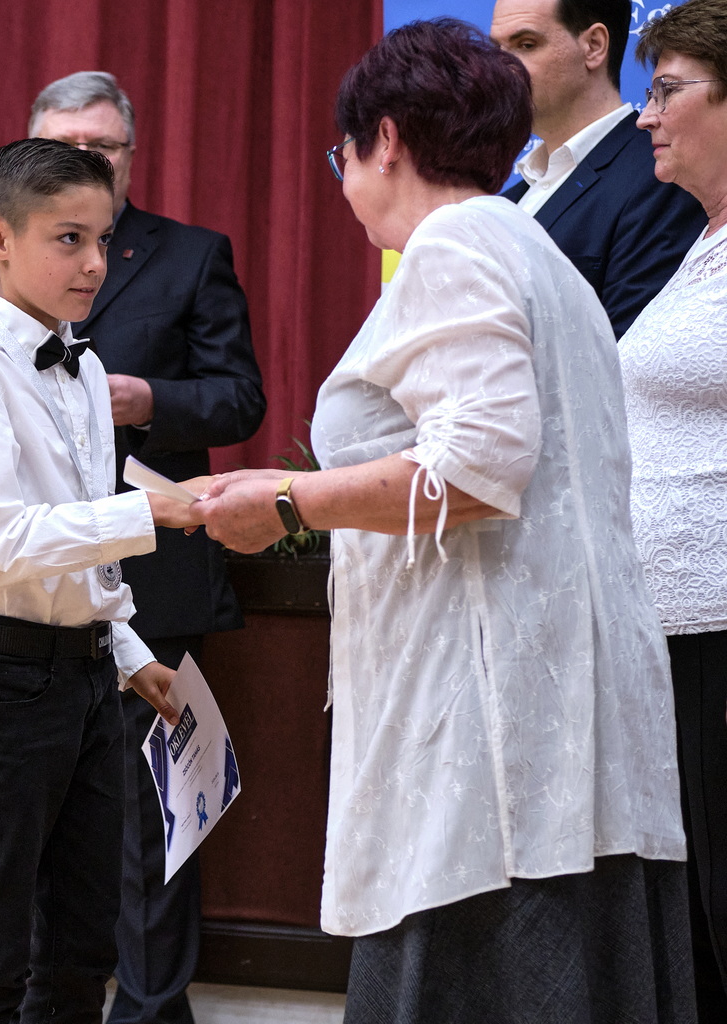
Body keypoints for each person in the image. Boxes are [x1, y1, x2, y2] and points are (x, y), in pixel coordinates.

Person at [163, 19, 693, 1022]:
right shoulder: (528, 246)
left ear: (387, 139)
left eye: (343, 156)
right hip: (550, 710)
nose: (344, 181)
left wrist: (287, 502)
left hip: (489, 734)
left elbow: (479, 464)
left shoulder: (454, 244)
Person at [0, 71, 265, 1024]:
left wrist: (131, 653)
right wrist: (159, 513)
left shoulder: (85, 363)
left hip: (89, 675)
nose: (95, 264)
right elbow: (1, 543)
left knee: (80, 953)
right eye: (69, 240)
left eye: (103, 239)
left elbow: (79, 543)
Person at [620, 1, 727, 1016]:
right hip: (671, 632)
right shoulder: (703, 243)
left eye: (666, 92)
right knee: (689, 927)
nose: (647, 115)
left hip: (720, 632)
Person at [491, 0, 705, 338]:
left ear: (593, 45)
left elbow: (631, 355)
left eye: (526, 45)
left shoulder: (662, 176)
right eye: (495, 49)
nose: (500, 68)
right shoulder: (505, 202)